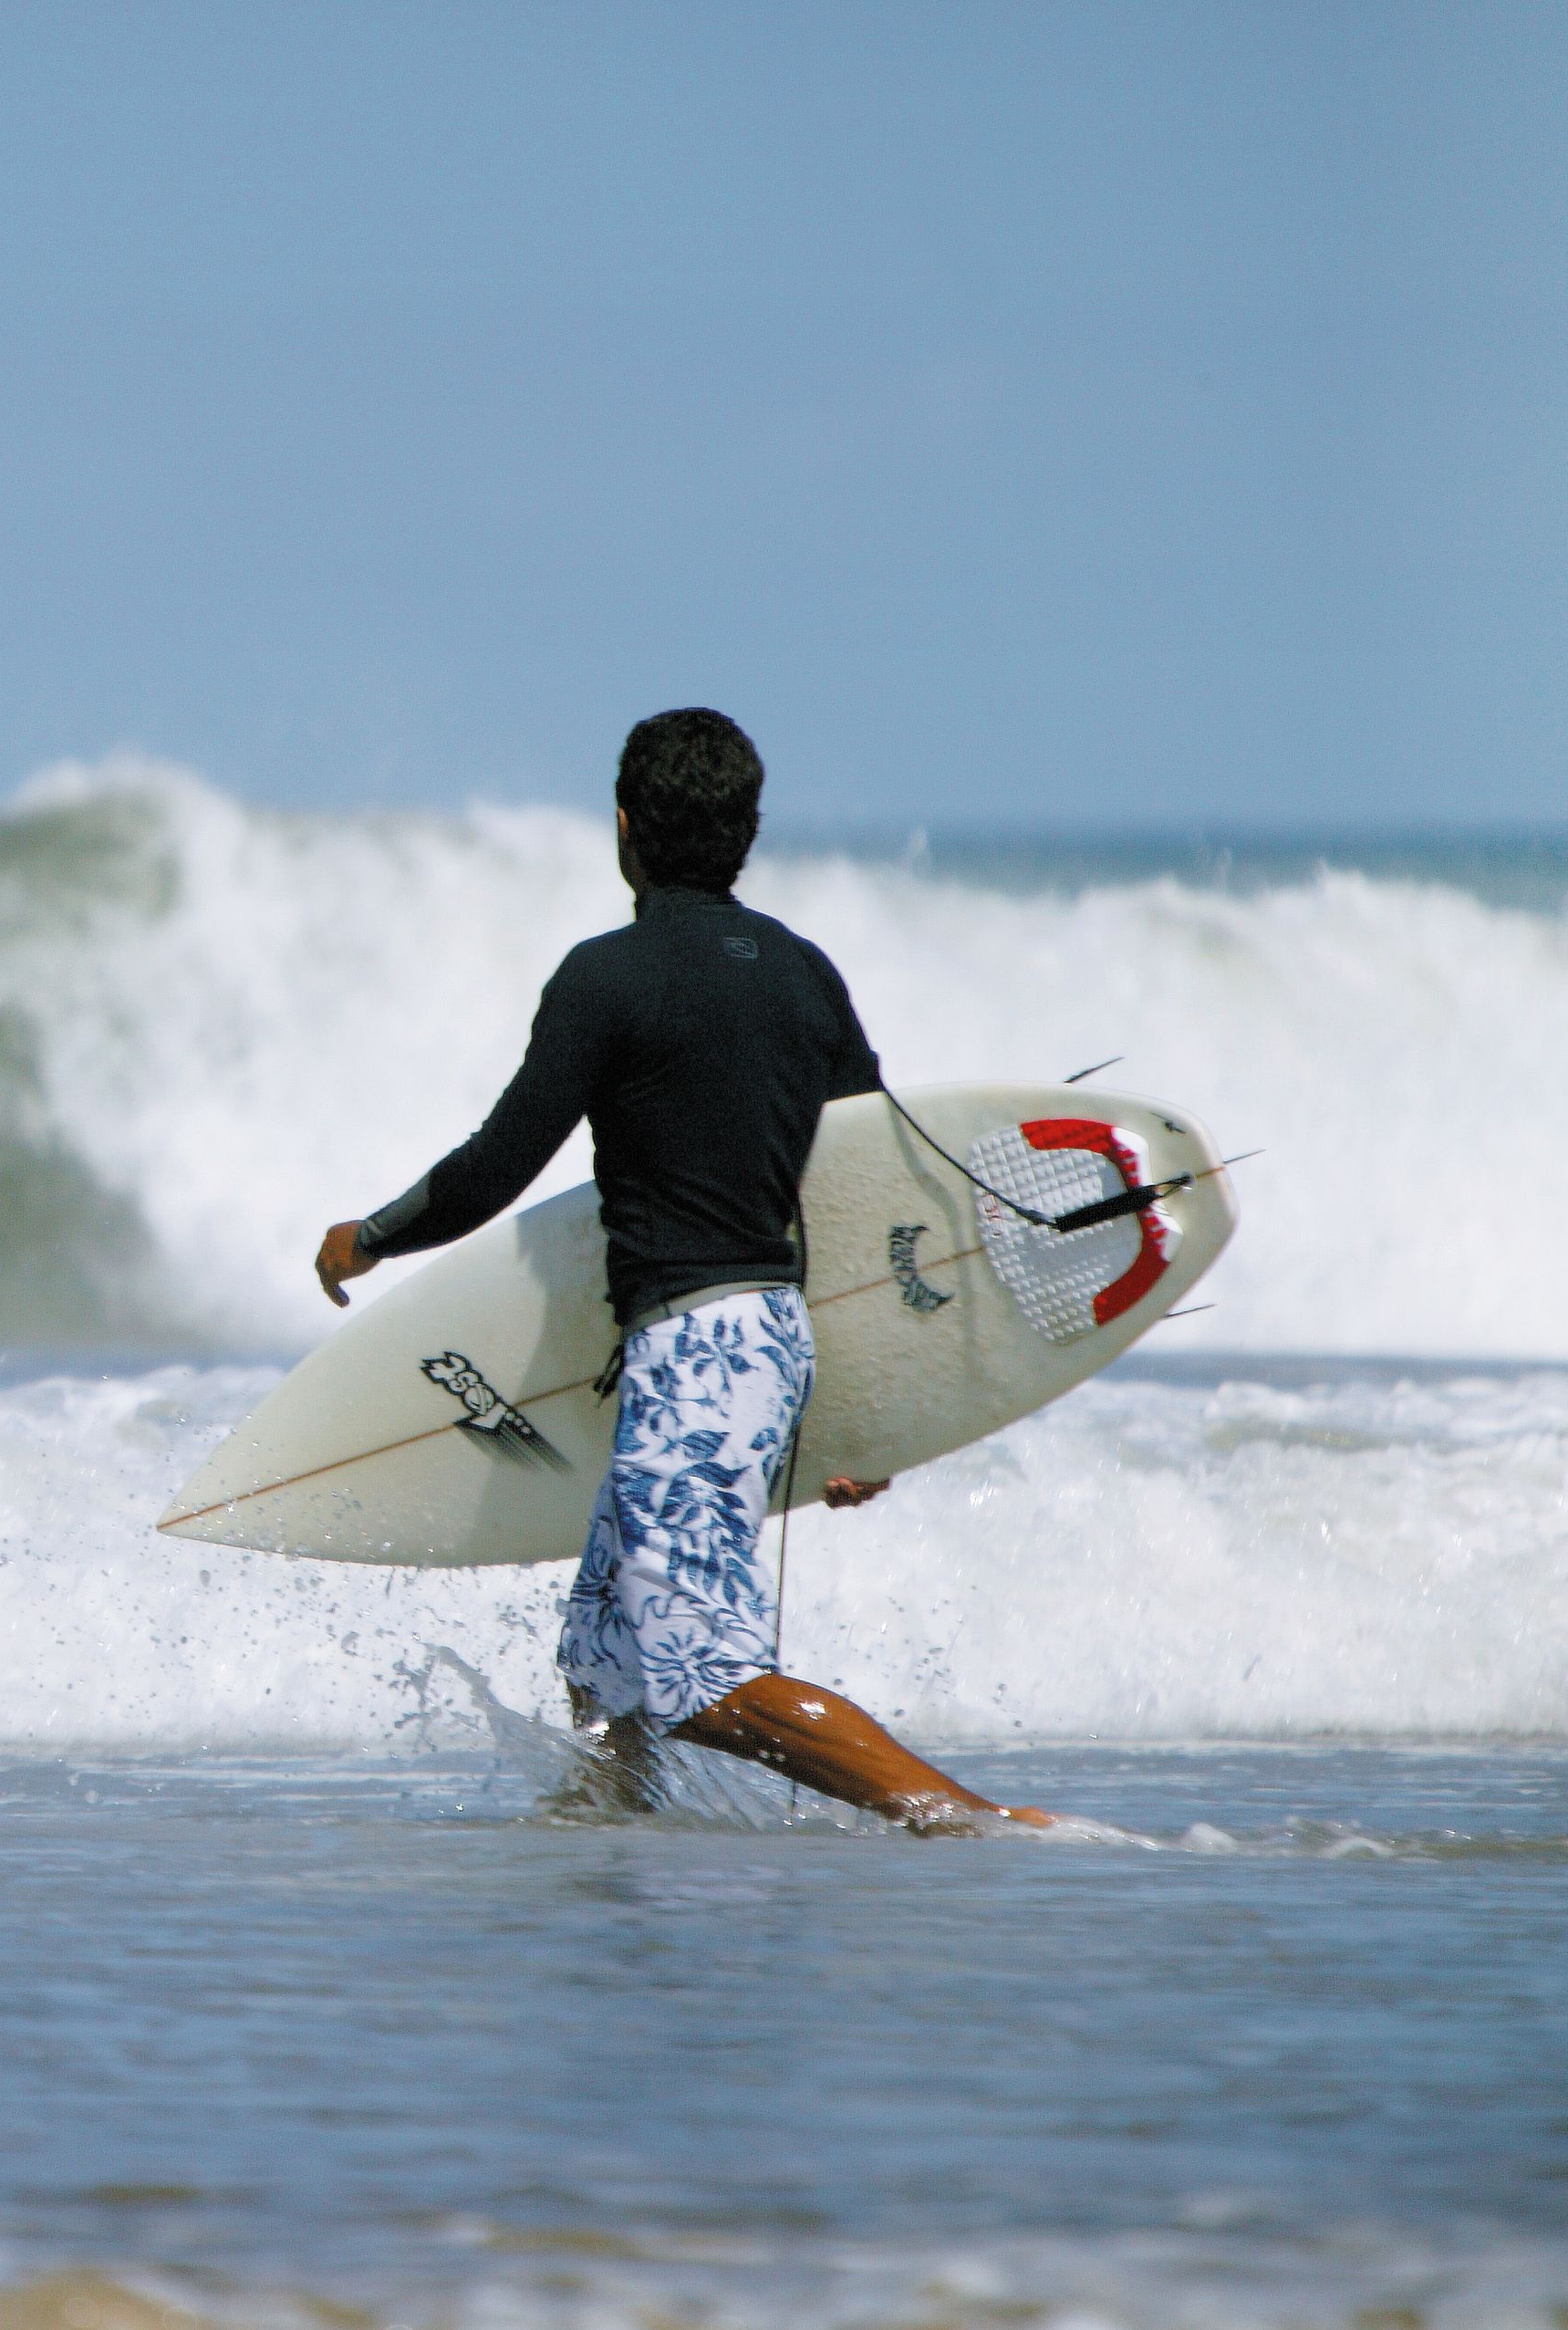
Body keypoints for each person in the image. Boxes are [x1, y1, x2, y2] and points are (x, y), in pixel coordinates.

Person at [311, 709, 1051, 1834]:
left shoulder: (606, 980)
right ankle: (619, 1839)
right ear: (745, 831)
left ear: (624, 827)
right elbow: (864, 1200)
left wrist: (369, 1236)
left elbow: (496, 1168)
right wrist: (864, 1415)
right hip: (766, 1343)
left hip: (702, 1355)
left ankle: (972, 1823)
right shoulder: (807, 977)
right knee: (603, 1652)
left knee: (704, 1674)